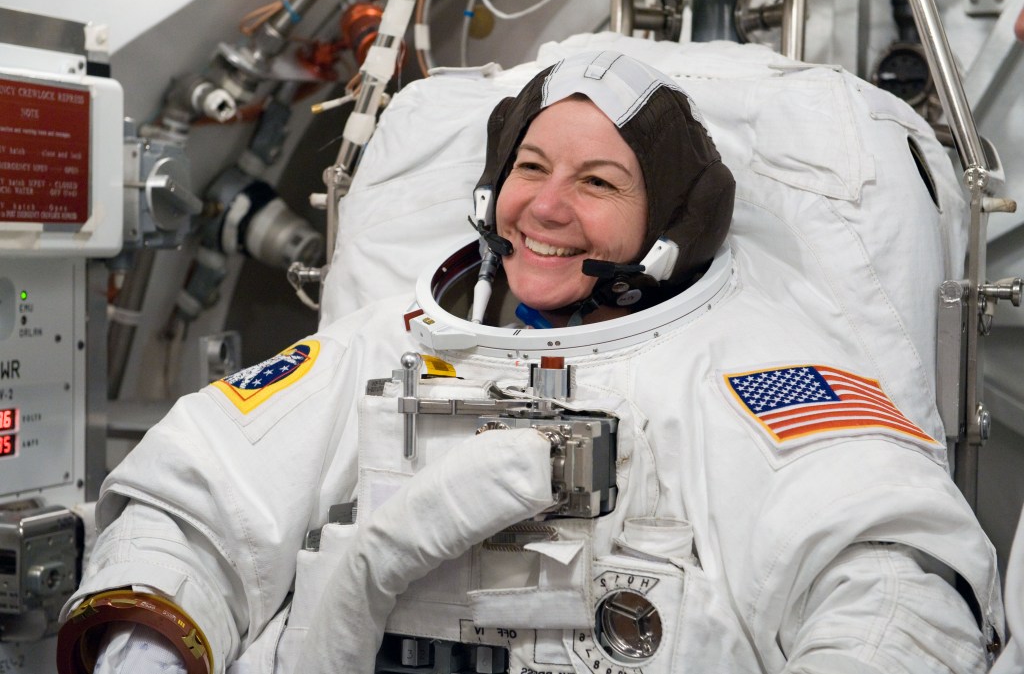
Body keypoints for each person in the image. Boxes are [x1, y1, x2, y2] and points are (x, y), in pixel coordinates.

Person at [57, 50, 1003, 674]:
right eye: (530, 168)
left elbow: (888, 583)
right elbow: (196, 514)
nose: (547, 209)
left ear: (668, 221)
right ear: (489, 188)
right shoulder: (384, 345)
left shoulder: (748, 370)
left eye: (598, 182)